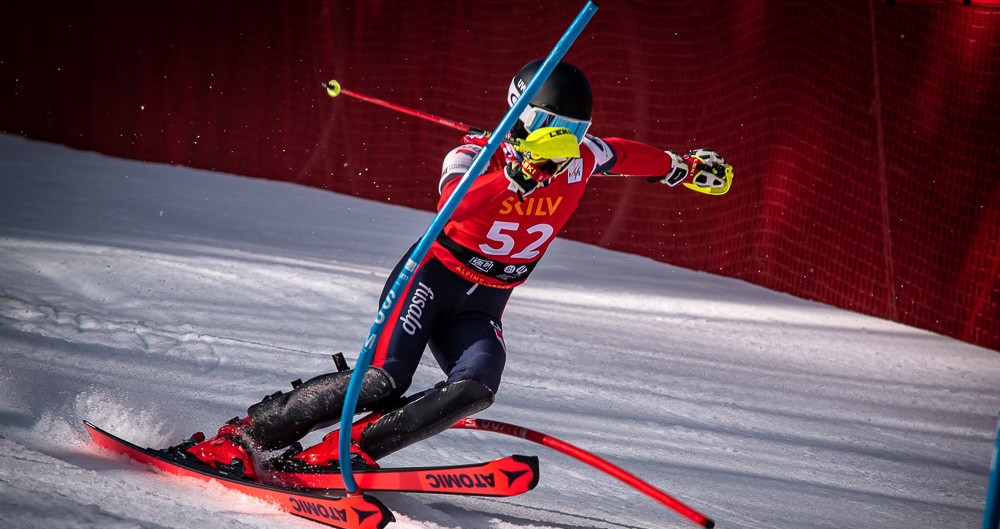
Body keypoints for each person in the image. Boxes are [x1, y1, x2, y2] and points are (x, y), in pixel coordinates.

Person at [168, 59, 732, 479]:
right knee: (382, 381)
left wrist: (679, 168)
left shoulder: (581, 159)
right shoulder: (474, 154)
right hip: (429, 282)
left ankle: (341, 454)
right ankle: (243, 438)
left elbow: (625, 154)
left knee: (476, 388)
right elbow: (452, 205)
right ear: (523, 117)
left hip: (482, 305)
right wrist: (512, 178)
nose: (568, 143)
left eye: (577, 131)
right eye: (555, 128)